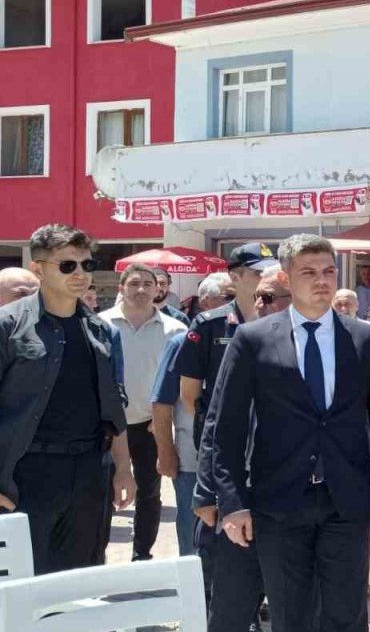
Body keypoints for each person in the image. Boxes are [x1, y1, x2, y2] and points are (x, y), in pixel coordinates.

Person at [208, 234, 370, 632]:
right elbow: (227, 429)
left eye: (329, 271)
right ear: (287, 278)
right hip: (279, 501)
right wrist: (232, 502)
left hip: (346, 500)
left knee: (346, 617)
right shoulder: (253, 339)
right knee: (290, 616)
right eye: (309, 273)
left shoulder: (365, 338)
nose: (321, 281)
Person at [0, 224, 135, 574]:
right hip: (26, 473)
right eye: (67, 265)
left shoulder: (102, 330)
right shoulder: (8, 325)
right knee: (21, 583)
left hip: (90, 472)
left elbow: (113, 404)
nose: (80, 274)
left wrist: (123, 468)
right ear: (38, 269)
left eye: (87, 265)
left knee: (80, 580)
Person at [179, 242, 275, 632]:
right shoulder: (211, 324)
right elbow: (190, 395)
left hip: (270, 459)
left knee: (259, 546)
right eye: (256, 274)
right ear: (235, 277)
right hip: (224, 460)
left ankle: (251, 620)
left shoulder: (284, 323)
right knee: (219, 552)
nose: (264, 282)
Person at [100, 263, 188, 561]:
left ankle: (142, 554)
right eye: (134, 283)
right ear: (121, 288)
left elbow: (183, 381)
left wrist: (166, 421)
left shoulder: (176, 330)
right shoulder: (100, 324)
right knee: (102, 493)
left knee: (150, 491)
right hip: (107, 425)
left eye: (148, 284)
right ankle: (96, 553)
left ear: (158, 289)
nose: (141, 290)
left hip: (150, 425)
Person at [151, 272, 235, 557]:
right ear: (206, 301)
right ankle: (194, 588)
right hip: (191, 455)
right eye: (228, 298)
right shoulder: (181, 342)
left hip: (233, 454)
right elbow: (162, 402)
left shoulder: (247, 336)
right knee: (193, 527)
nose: (235, 305)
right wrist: (166, 452)